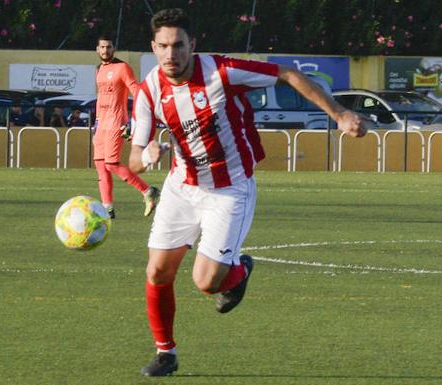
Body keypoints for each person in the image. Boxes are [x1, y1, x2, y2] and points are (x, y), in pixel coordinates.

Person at [129, 8, 368, 377]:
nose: (170, 54)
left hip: (230, 189)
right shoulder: (148, 91)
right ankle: (166, 353)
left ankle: (238, 273)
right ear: (153, 47)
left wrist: (338, 115)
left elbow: (287, 73)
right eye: (163, 46)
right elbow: (133, 160)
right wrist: (145, 155)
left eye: (178, 45)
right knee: (157, 270)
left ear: (193, 45)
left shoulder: (222, 72)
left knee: (205, 281)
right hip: (182, 187)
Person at [94, 34, 159, 219]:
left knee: (112, 164)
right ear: (97, 50)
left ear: (114, 48)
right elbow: (100, 97)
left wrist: (133, 121)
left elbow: (137, 92)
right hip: (101, 124)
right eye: (102, 47)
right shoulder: (98, 69)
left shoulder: (122, 67)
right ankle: (107, 208)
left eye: (109, 47)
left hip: (117, 122)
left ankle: (148, 190)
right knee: (100, 165)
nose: (105, 50)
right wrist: (96, 122)